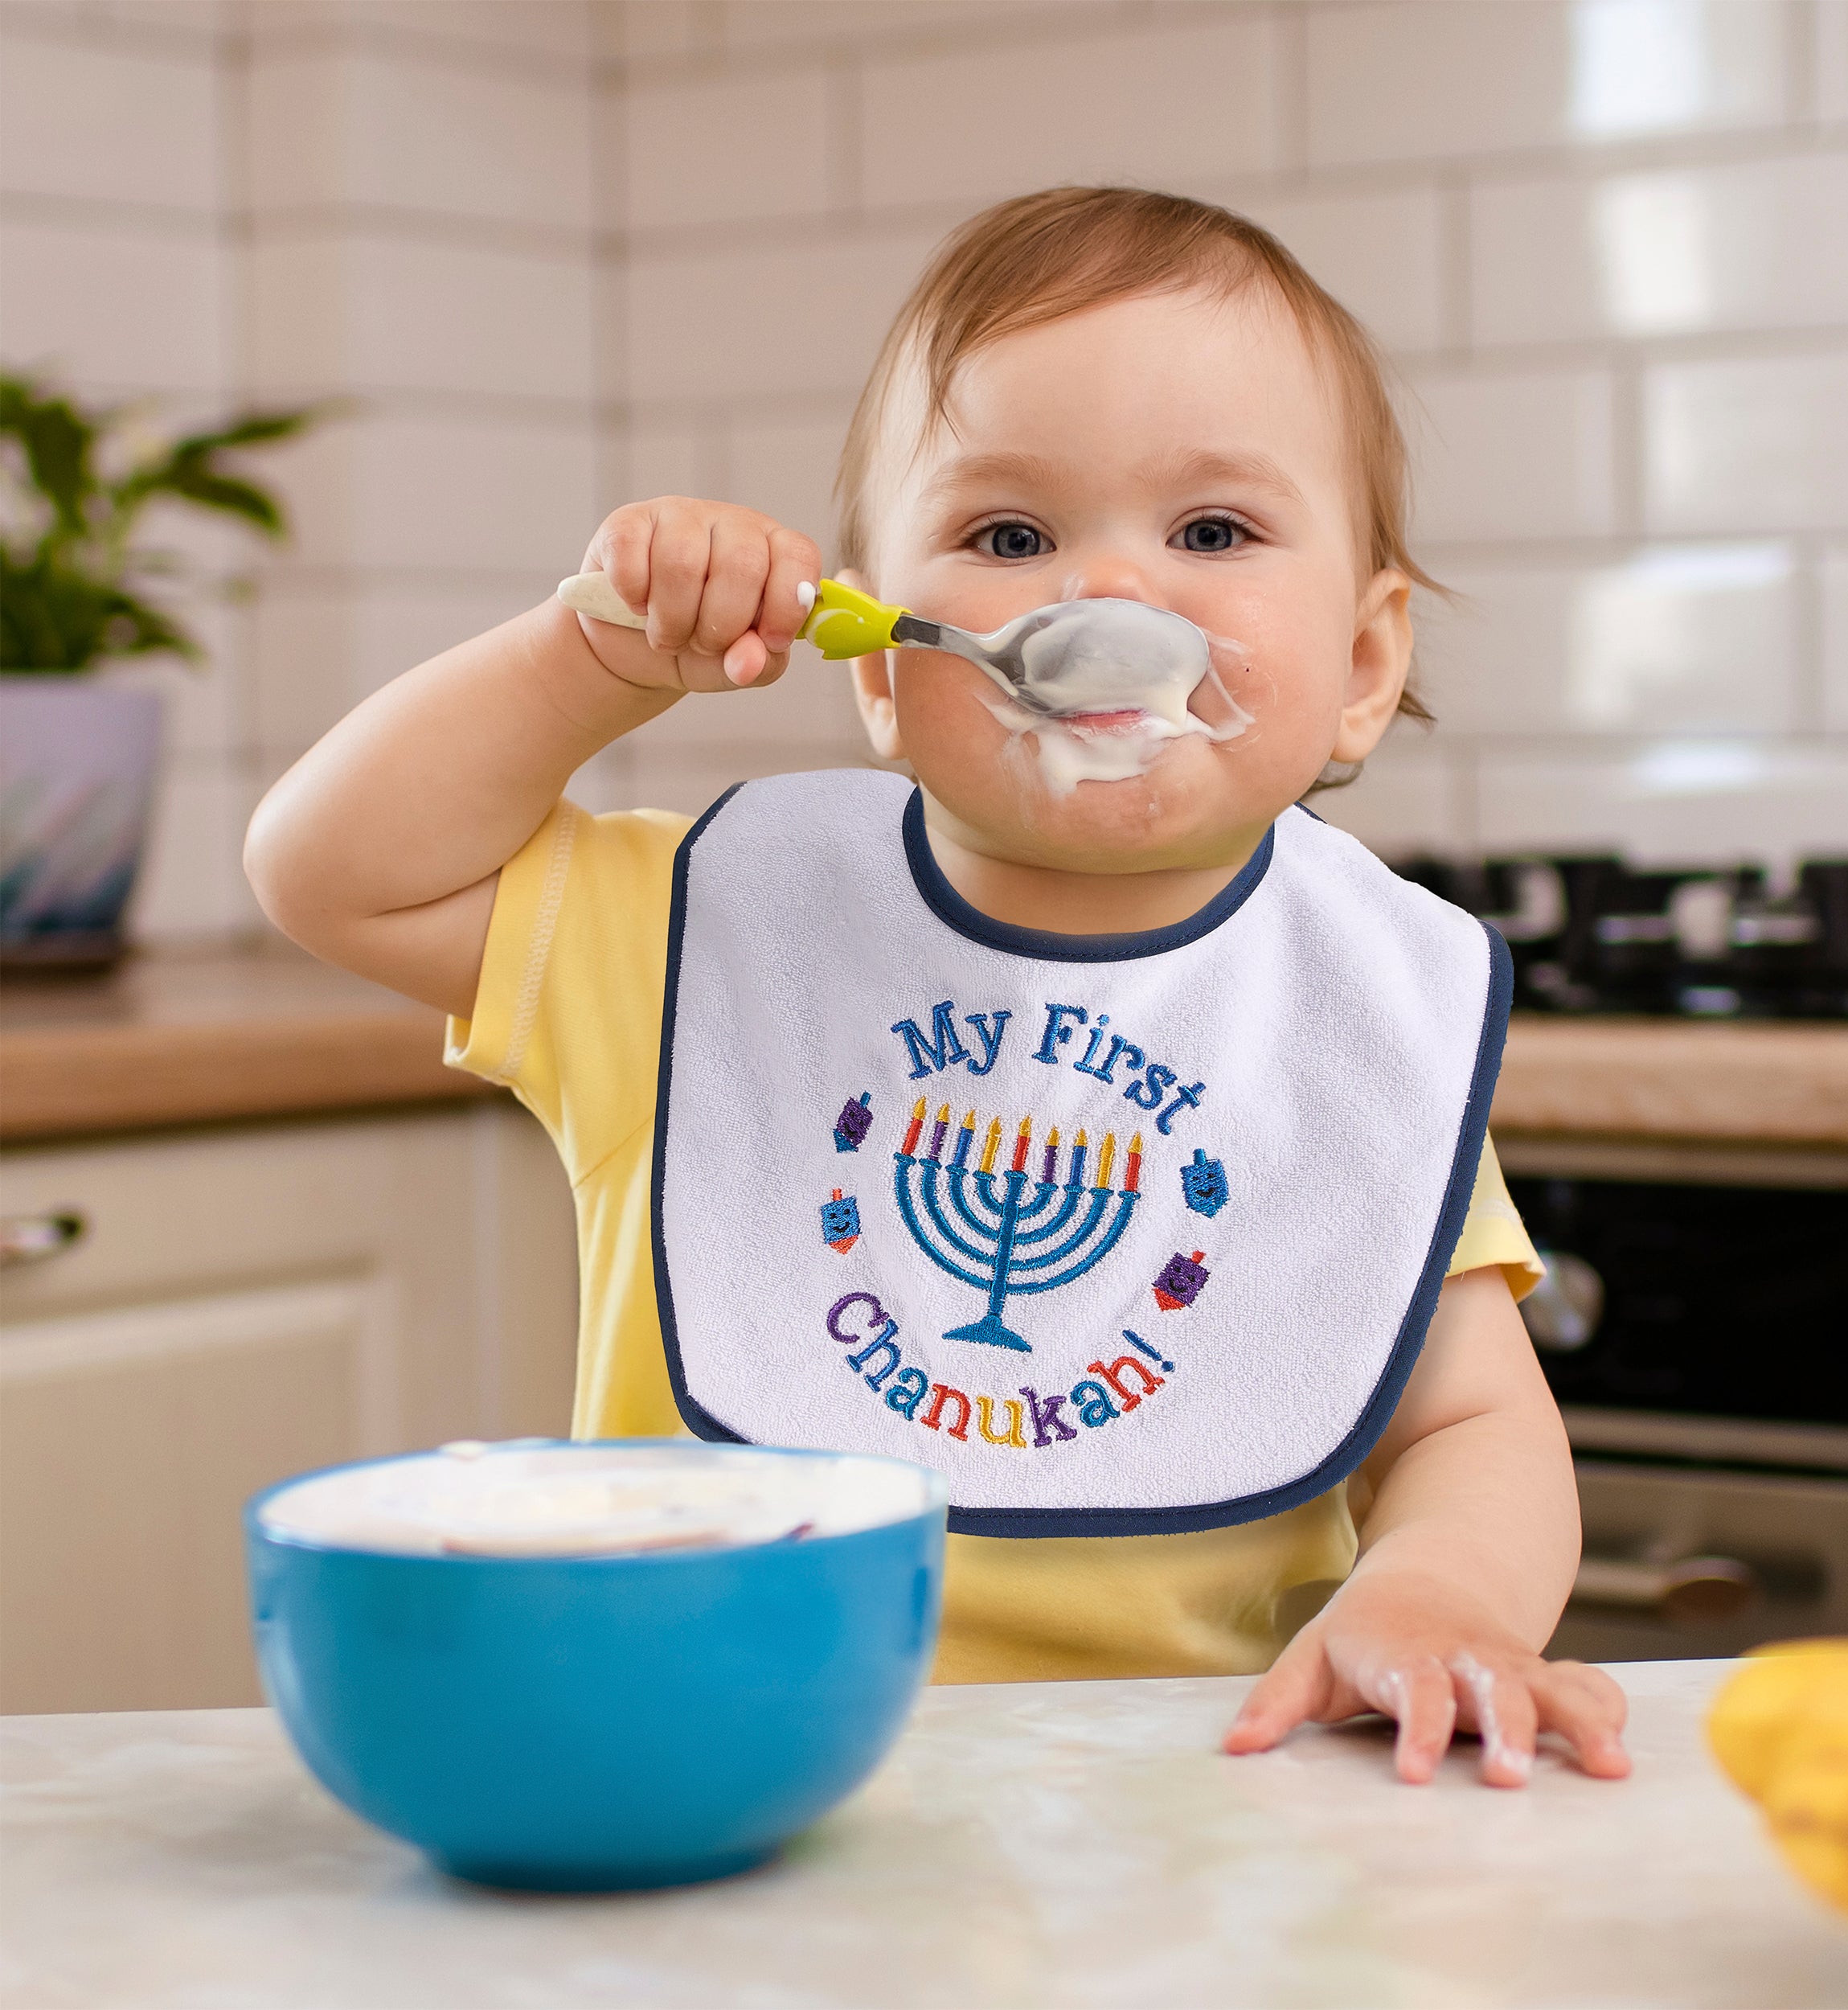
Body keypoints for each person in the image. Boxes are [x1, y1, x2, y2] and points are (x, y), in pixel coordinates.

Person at [246, 186, 1630, 1790]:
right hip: (710, 1770)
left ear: (1363, 665)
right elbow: (329, 867)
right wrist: (591, 659)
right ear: (878, 669)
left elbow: (1464, 1425)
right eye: (1007, 537)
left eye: (1211, 533)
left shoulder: (1343, 1005)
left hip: (1209, 1797)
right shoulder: (698, 931)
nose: (1104, 591)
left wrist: (1435, 1592)